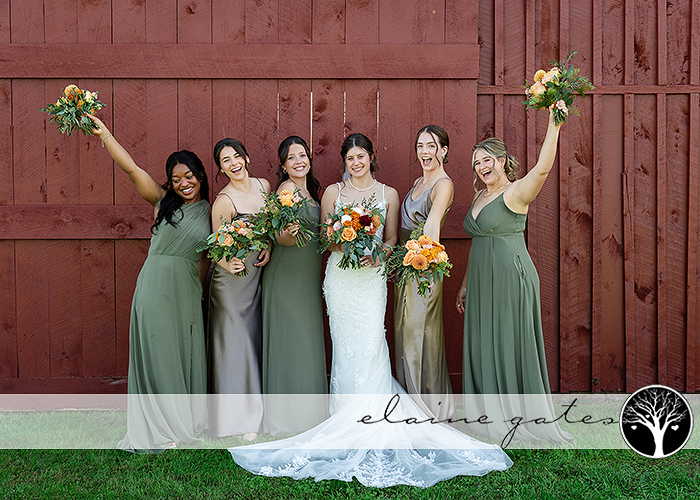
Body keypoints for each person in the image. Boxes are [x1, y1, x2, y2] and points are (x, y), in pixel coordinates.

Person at [228, 133, 512, 488]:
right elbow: (324, 239)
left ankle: (376, 414)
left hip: (372, 279)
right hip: (340, 279)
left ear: (371, 158)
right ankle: (343, 412)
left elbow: (391, 238)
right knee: (345, 345)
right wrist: (345, 241)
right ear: (345, 162)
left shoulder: (388, 194)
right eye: (350, 158)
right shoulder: (332, 193)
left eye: (361, 156)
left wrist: (378, 252)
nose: (356, 163)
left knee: (371, 342)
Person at [88, 114, 210, 451]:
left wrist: (199, 295)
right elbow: (131, 169)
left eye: (189, 176)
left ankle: (181, 422)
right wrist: (106, 135)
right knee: (158, 353)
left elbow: (205, 260)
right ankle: (160, 429)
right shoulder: (161, 202)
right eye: (176, 179)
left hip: (187, 290)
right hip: (154, 288)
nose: (184, 183)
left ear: (200, 175)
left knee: (181, 353)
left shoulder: (212, 212)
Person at [456, 107, 572, 444]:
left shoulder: (517, 192)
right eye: (477, 163)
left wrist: (554, 126)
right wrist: (464, 284)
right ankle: (489, 414)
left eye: (487, 160)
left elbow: (543, 168)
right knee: (485, 342)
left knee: (508, 341)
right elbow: (479, 242)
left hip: (511, 277)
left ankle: (518, 416)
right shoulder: (480, 195)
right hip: (481, 280)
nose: (482, 167)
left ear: (503, 160)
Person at [261, 136, 328, 436]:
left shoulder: (310, 193)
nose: (299, 161)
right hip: (287, 275)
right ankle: (289, 418)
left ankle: (309, 414)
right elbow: (279, 237)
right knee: (292, 340)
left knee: (306, 340)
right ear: (284, 166)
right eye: (292, 157)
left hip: (307, 276)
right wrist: (290, 232)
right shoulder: (285, 191)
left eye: (303, 155)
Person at [207, 138, 271, 440]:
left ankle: (252, 414)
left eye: (236, 156)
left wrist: (268, 245)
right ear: (221, 169)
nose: (233, 164)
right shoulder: (224, 201)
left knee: (252, 340)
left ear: (246, 157)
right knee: (235, 345)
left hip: (255, 279)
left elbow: (270, 227)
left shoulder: (264, 186)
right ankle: (236, 421)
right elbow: (215, 247)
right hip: (230, 284)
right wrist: (227, 263)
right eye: (226, 161)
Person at [394, 125, 455, 421]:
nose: (425, 152)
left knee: (420, 335)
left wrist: (422, 256)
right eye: (420, 146)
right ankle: (406, 405)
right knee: (404, 333)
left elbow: (431, 224)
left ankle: (427, 410)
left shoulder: (443, 184)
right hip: (405, 266)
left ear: (443, 150)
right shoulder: (419, 181)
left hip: (424, 266)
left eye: (431, 146)